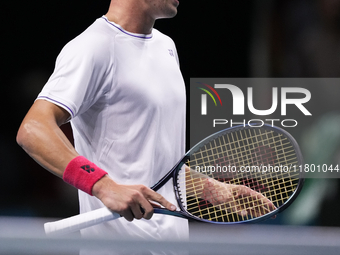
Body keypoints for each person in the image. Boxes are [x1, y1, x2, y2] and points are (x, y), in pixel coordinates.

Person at [17, 0, 275, 243]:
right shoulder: (93, 47)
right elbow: (33, 129)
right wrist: (103, 185)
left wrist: (212, 189)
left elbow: (150, 163)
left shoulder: (166, 47)